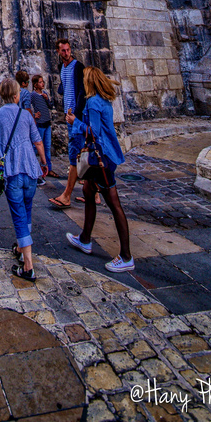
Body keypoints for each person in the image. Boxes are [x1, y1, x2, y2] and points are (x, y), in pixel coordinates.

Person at [66, 67, 134, 272]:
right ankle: (85, 238)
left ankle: (126, 256)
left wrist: (74, 122)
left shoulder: (94, 103)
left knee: (114, 204)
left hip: (100, 158)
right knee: (88, 191)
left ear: (90, 81)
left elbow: (93, 132)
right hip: (103, 156)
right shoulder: (104, 101)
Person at [0, 76, 48, 282]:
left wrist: (0, 160)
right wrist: (43, 162)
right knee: (27, 209)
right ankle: (21, 248)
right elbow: (38, 142)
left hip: (13, 172)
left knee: (19, 216)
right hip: (31, 172)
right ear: (16, 96)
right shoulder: (25, 115)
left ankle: (28, 265)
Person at [49, 39, 86, 211]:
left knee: (74, 154)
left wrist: (75, 114)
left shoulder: (78, 66)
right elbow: (65, 87)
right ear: (58, 51)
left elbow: (82, 91)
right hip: (69, 114)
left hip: (76, 117)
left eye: (68, 50)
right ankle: (93, 194)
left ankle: (66, 196)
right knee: (83, 153)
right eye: (63, 51)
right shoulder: (61, 68)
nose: (66, 53)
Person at [30, 74, 55, 184]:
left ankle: (48, 168)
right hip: (39, 124)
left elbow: (50, 106)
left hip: (47, 123)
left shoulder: (44, 94)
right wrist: (33, 115)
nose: (43, 84)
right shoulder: (33, 95)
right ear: (35, 85)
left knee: (47, 146)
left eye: (42, 82)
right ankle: (35, 167)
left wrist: (47, 99)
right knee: (37, 147)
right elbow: (27, 105)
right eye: (40, 82)